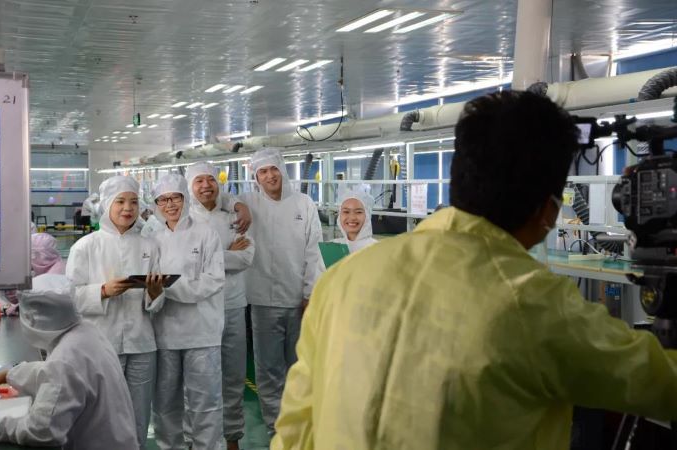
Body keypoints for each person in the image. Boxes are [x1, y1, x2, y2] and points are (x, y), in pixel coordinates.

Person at [271, 91, 677, 450]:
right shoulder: (533, 301)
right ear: (549, 211)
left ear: (457, 177)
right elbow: (659, 383)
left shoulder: (341, 280)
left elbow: (294, 429)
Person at [66, 175, 164, 450]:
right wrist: (102, 291)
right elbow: (70, 297)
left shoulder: (149, 246)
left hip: (142, 342)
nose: (127, 208)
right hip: (102, 341)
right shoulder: (86, 246)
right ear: (108, 204)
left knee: (139, 412)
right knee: (102, 412)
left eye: (133, 202)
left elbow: (157, 301)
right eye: (120, 201)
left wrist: (155, 293)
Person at [0, 274, 139, 449]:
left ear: (32, 317)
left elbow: (42, 432)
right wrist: (9, 375)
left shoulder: (65, 358)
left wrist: (0, 427)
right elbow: (56, 374)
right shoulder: (85, 332)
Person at [237, 148, 322, 435]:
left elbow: (314, 252)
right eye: (263, 172)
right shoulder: (248, 202)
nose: (270, 176)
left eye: (274, 169)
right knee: (268, 370)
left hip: (299, 300)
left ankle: (302, 427)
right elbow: (219, 200)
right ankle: (277, 429)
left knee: (300, 367)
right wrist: (239, 207)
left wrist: (310, 294)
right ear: (256, 177)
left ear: (283, 170)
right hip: (262, 301)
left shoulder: (303, 204)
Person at [150, 173, 226, 450]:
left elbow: (213, 280)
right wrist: (156, 291)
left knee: (205, 401)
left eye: (175, 198)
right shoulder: (151, 238)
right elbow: (149, 283)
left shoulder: (206, 233)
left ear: (185, 198)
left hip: (202, 331)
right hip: (164, 332)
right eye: (163, 200)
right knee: (165, 402)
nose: (170, 205)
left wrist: (168, 288)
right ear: (156, 204)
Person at [186, 162, 255, 450]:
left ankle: (232, 438)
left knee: (233, 376)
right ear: (190, 186)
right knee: (198, 380)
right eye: (199, 181)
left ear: (219, 183)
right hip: (197, 308)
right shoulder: (184, 219)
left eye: (210, 180)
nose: (205, 186)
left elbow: (246, 257)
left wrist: (207, 260)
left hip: (233, 304)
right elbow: (186, 264)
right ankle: (195, 439)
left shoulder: (234, 217)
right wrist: (226, 255)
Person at [331, 187, 377, 253]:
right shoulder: (333, 246)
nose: (352, 217)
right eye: (346, 212)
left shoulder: (377, 248)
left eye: (358, 212)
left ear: (367, 216)